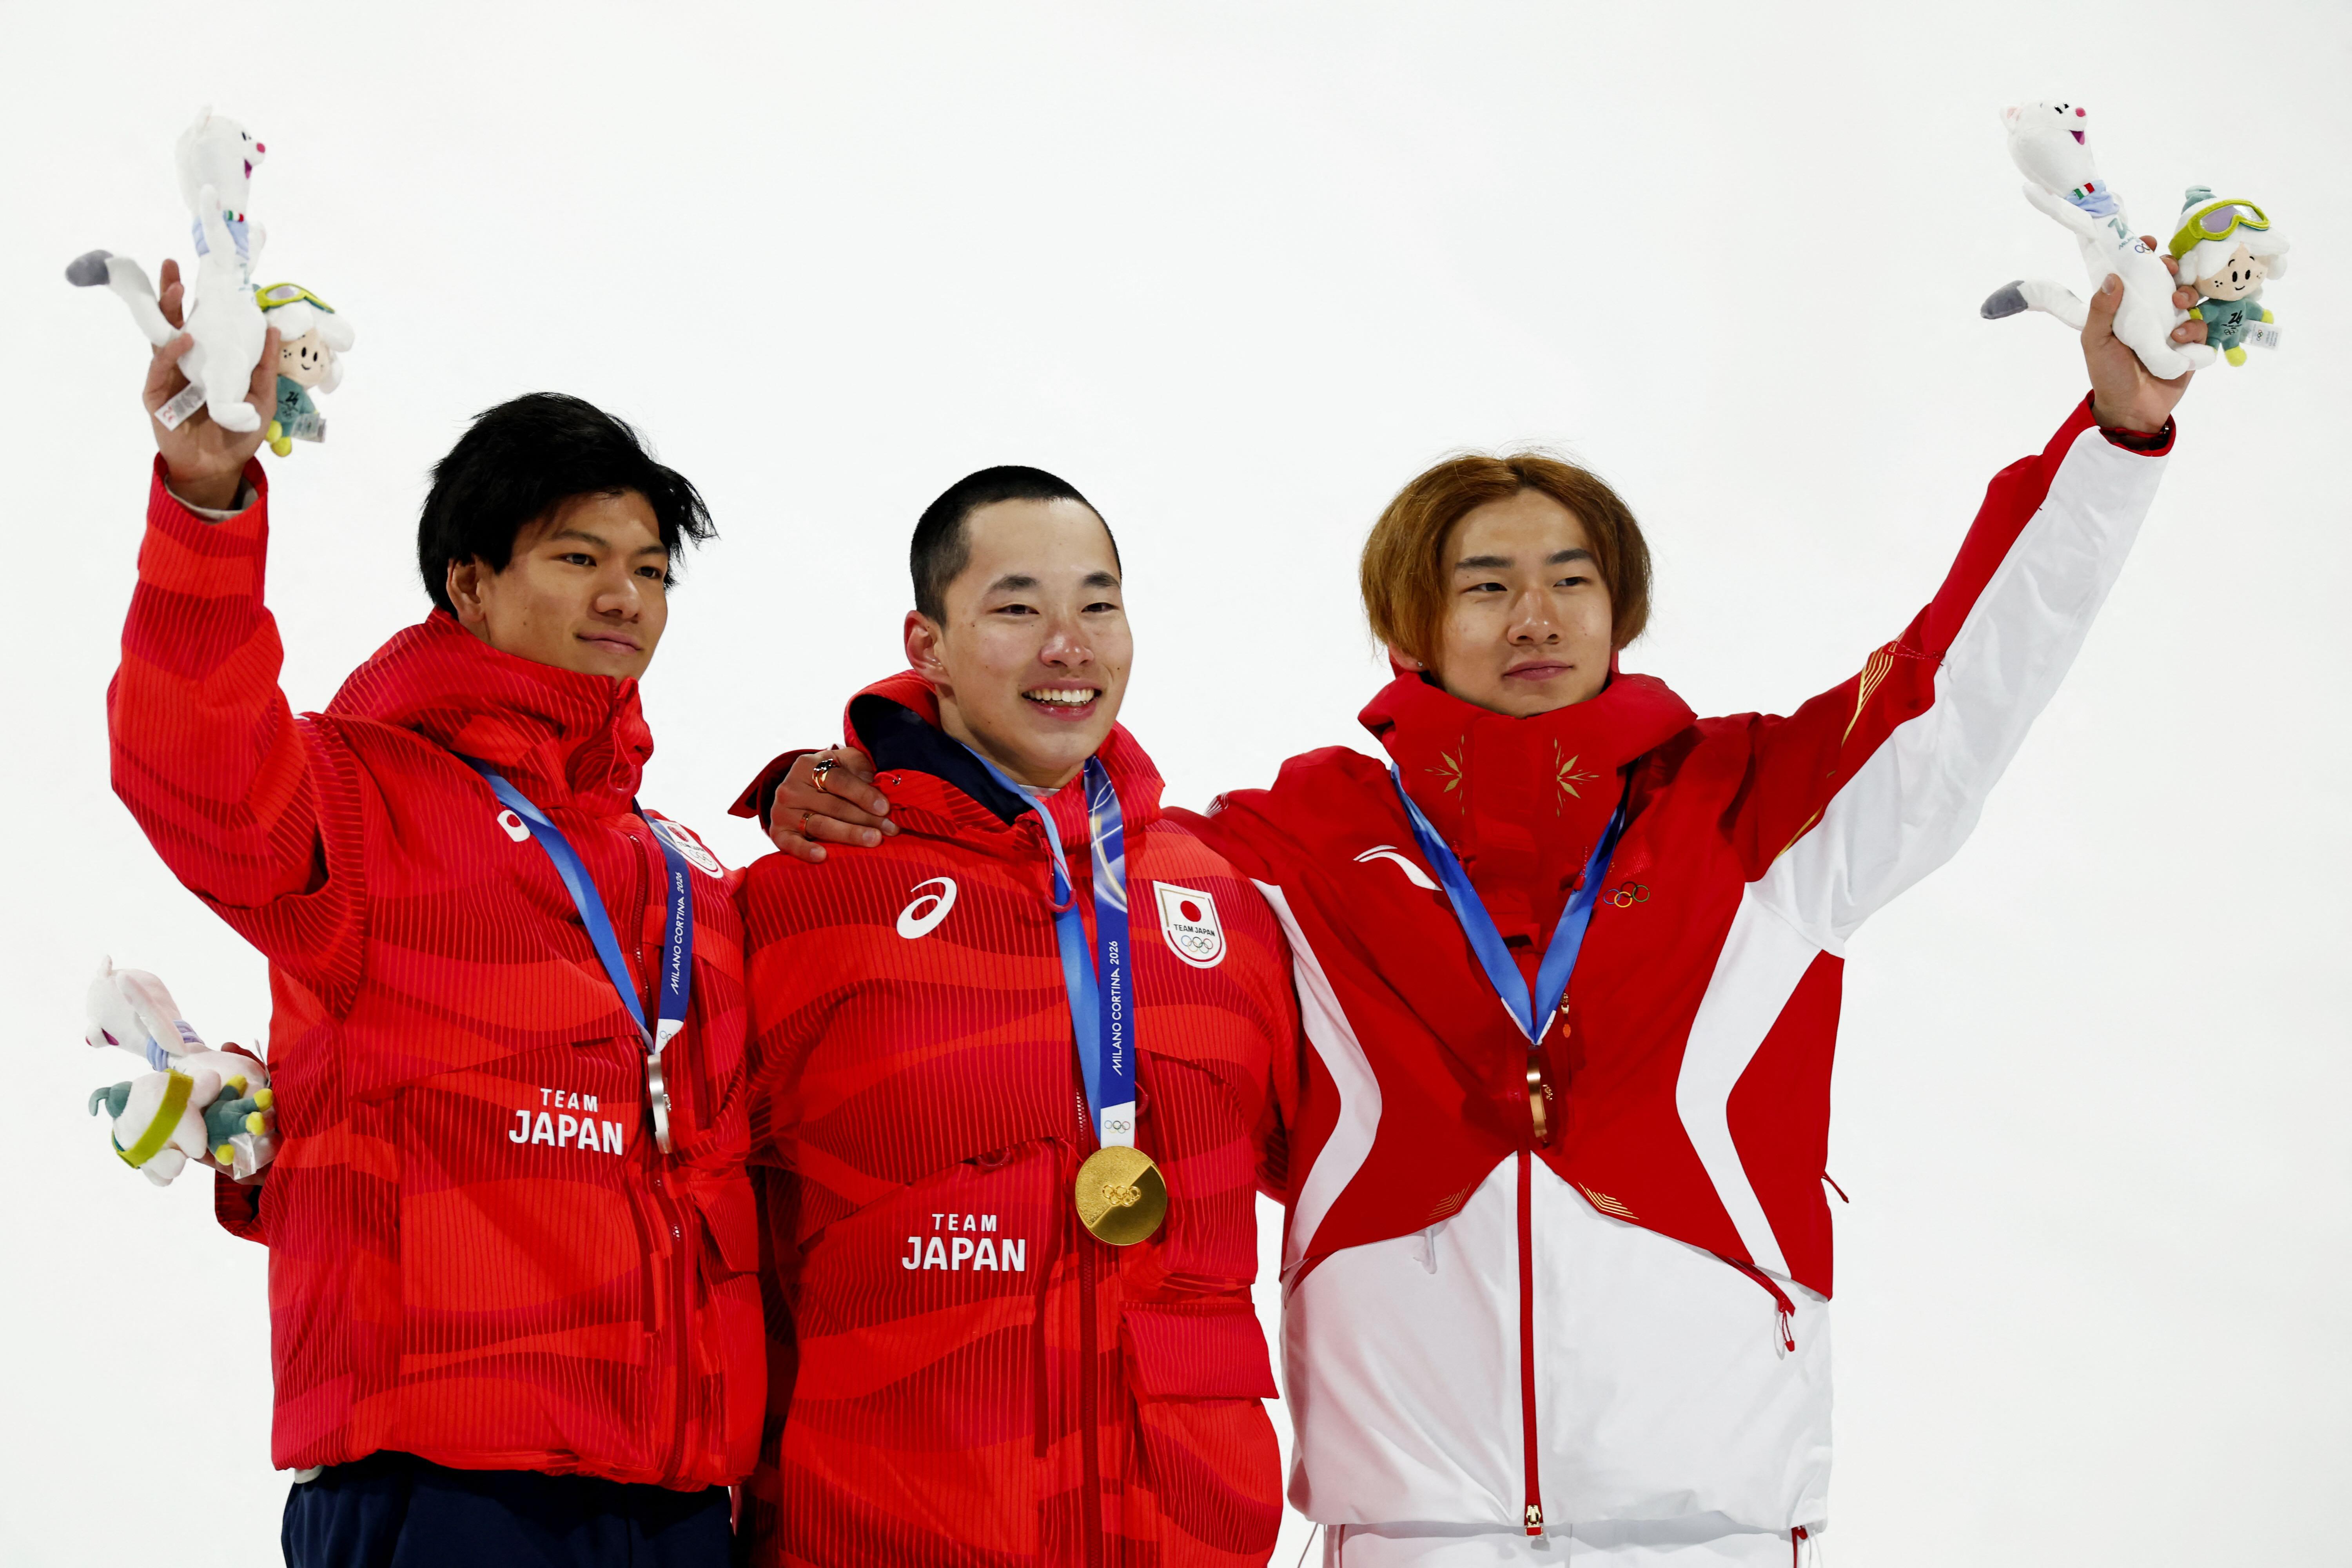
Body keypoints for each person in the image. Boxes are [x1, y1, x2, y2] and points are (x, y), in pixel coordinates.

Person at [769, 265, 2205, 1561]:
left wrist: (2115, 442)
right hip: (1414, 1533)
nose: (1538, 617)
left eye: (1573, 581)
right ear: (1410, 629)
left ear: (1622, 611)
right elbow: (1052, 870)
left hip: (1704, 1526)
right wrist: (847, 779)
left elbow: (1971, 683)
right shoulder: (1293, 852)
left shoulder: (1761, 818)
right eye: (1490, 585)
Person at [109, 260, 760, 1566]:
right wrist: (207, 499)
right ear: (467, 585)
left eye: (649, 568)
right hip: (450, 1489)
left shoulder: (679, 873)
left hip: (681, 1495)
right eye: (578, 558)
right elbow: (195, 765)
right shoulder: (366, 799)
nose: (625, 596)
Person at [726, 467, 1300, 1566]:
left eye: (1098, 603)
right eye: (1017, 607)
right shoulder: (802, 900)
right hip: (881, 1532)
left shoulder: (1220, 898)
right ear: (926, 643)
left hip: (1188, 1535)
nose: (1068, 645)